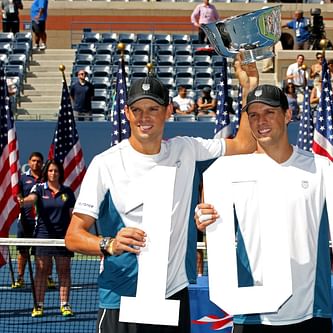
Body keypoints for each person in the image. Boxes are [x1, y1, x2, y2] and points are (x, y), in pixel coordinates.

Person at [194, 83, 333, 332]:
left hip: (311, 312)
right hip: (252, 313)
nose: (260, 121)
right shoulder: (231, 174)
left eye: (269, 112)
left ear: (288, 115)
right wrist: (204, 220)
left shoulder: (322, 168)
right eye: (253, 115)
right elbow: (213, 227)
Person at [64, 55, 256, 333]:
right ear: (127, 113)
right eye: (137, 110)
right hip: (122, 299)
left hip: (171, 295)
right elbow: (73, 236)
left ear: (168, 111)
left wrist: (248, 87)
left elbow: (245, 144)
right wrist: (110, 244)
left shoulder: (186, 150)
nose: (145, 117)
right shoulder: (105, 163)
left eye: (153, 109)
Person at [20, 160, 76, 318]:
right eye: (50, 171)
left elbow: (72, 214)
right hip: (43, 236)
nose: (53, 173)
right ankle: (39, 305)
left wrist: (75, 231)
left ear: (60, 173)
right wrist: (23, 202)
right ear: (46, 172)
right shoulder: (38, 188)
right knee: (41, 271)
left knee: (64, 271)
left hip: (63, 237)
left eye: (56, 171)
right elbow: (32, 199)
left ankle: (64, 304)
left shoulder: (67, 192)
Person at [12, 152, 43, 289]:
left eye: (38, 161)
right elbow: (18, 194)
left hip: (42, 222)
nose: (36, 163)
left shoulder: (47, 178)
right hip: (25, 220)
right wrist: (19, 198)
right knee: (23, 251)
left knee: (43, 253)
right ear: (29, 162)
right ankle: (20, 277)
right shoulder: (23, 179)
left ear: (42, 163)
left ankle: (46, 277)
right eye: (33, 161)